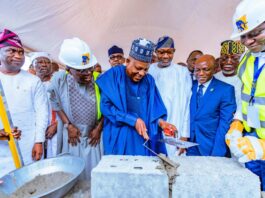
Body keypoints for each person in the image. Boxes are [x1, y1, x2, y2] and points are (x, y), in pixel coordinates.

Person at [96, 38, 176, 156]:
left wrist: (162, 123)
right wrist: (132, 120)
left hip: (142, 137)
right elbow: (106, 107)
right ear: (127, 61)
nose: (142, 73)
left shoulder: (149, 81)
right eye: (138, 68)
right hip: (119, 136)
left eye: (146, 69)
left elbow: (153, 110)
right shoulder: (113, 76)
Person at [48, 37, 103, 179]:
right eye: (81, 71)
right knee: (73, 174)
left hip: (94, 135)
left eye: (89, 68)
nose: (88, 74)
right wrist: (68, 125)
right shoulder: (59, 80)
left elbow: (108, 105)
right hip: (73, 135)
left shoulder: (99, 79)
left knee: (95, 174)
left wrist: (99, 128)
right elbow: (55, 103)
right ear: (68, 68)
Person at [225, 0, 265, 190]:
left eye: (255, 33)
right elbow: (246, 100)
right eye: (243, 36)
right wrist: (237, 123)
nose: (248, 41)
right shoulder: (247, 60)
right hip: (251, 146)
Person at [0, 29, 48, 177]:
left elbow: (42, 112)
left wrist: (39, 140)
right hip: (2, 149)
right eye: (11, 51)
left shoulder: (33, 81)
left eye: (21, 52)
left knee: (31, 182)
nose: (18, 56)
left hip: (29, 144)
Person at [149, 36, 192, 157]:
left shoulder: (182, 72)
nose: (165, 56)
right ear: (156, 52)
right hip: (153, 125)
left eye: (169, 52)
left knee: (175, 163)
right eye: (161, 52)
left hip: (176, 124)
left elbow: (187, 104)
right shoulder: (149, 71)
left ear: (174, 51)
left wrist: (185, 134)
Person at [187, 55, 236, 156]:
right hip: (189, 145)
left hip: (211, 146)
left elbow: (225, 124)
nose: (201, 73)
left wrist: (218, 153)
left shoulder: (225, 90)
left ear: (214, 70)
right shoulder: (189, 85)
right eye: (197, 70)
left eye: (206, 70)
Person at [31, 52, 58, 158]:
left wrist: (57, 125)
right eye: (40, 62)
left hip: (54, 129)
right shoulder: (30, 83)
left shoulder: (57, 83)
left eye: (47, 62)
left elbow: (68, 107)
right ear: (32, 66)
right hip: (34, 131)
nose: (44, 64)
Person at [215, 40, 245, 121]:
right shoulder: (214, 78)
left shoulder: (246, 79)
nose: (228, 61)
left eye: (234, 58)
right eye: (224, 58)